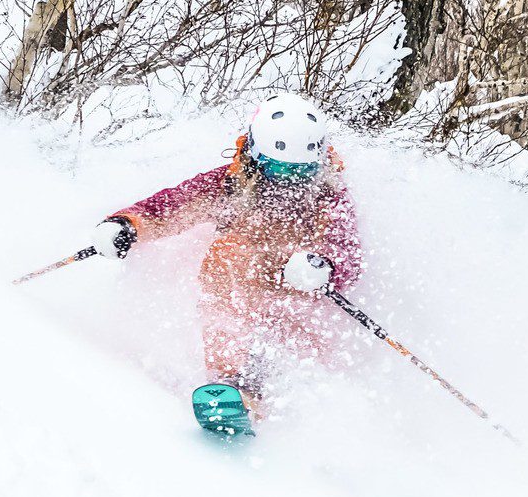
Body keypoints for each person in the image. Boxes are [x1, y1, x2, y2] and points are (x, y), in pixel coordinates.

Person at [91, 93, 363, 439]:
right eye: (277, 168)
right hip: (237, 289)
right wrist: (128, 225)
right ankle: (231, 385)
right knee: (229, 256)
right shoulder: (232, 183)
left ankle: (283, 398)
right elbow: (175, 204)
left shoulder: (330, 196)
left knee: (287, 323)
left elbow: (348, 250)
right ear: (255, 152)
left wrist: (324, 268)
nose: (287, 183)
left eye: (300, 171)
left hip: (295, 296)